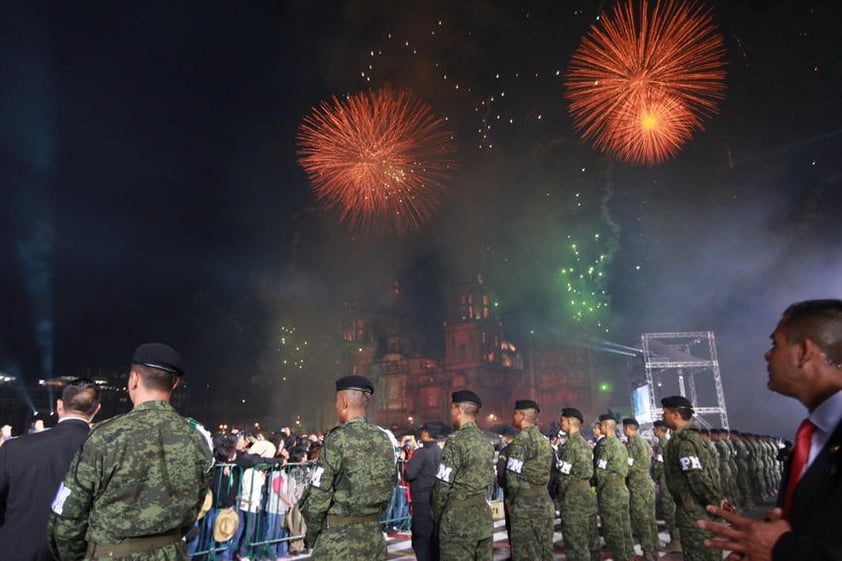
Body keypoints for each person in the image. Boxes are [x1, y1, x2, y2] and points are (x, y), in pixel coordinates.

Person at [698, 299, 842, 560]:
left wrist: (779, 548)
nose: (767, 354)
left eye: (776, 344)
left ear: (804, 352)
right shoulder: (816, 435)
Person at [47, 342, 213, 561]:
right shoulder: (198, 439)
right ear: (175, 384)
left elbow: (67, 518)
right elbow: (196, 506)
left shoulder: (105, 436)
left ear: (134, 379)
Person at [0, 378, 100, 561]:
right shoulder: (103, 454)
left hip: (14, 552)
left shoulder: (15, 449)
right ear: (96, 410)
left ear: (60, 405)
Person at [299, 375, 395, 560]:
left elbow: (318, 497)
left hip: (339, 543)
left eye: (336, 401)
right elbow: (389, 487)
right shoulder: (384, 439)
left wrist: (312, 536)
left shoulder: (337, 438)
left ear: (343, 402)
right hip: (374, 539)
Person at [660, 395, 730, 561]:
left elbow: (695, 476)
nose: (662, 416)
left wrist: (716, 501)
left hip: (695, 512)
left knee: (699, 554)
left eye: (665, 412)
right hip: (696, 509)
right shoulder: (688, 439)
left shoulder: (684, 442)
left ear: (676, 415)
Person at [431, 390, 495, 561]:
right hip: (482, 516)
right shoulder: (485, 442)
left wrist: (439, 517)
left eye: (452, 408)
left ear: (458, 409)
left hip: (458, 521)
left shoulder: (455, 441)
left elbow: (442, 486)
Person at [503, 399, 554, 561]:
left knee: (525, 554)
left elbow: (512, 476)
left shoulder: (521, 441)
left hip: (525, 507)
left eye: (515, 413)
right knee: (544, 552)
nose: (513, 416)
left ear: (523, 416)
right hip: (544, 503)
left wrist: (511, 502)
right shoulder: (544, 441)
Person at [555, 407, 600, 561]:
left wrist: (561, 496)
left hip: (573, 500)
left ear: (568, 422)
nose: (561, 424)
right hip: (587, 496)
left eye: (562, 421)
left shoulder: (570, 446)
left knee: (575, 543)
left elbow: (563, 477)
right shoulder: (584, 445)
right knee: (591, 540)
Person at [594, 413, 634, 561]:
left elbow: (600, 472)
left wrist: (600, 488)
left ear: (604, 426)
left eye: (600, 425)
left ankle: (620, 557)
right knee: (624, 526)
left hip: (610, 492)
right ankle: (629, 554)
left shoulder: (605, 446)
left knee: (614, 529)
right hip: (622, 488)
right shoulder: (621, 445)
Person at [405, 421, 445, 561]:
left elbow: (409, 474)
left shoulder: (421, 453)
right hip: (437, 501)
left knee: (421, 539)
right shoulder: (440, 452)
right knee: (435, 539)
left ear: (426, 434)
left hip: (422, 501)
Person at [623, 417, 659, 561]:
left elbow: (629, 466)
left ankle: (648, 551)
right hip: (647, 482)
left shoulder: (632, 444)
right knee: (650, 519)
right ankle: (655, 548)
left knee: (641, 519)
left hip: (638, 485)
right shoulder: (644, 442)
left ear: (627, 428)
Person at [652, 419, 682, 552]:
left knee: (669, 510)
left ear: (659, 430)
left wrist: (655, 477)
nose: (653, 431)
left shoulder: (662, 444)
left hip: (665, 480)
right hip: (671, 479)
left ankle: (676, 541)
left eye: (654, 429)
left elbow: (659, 465)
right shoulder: (669, 442)